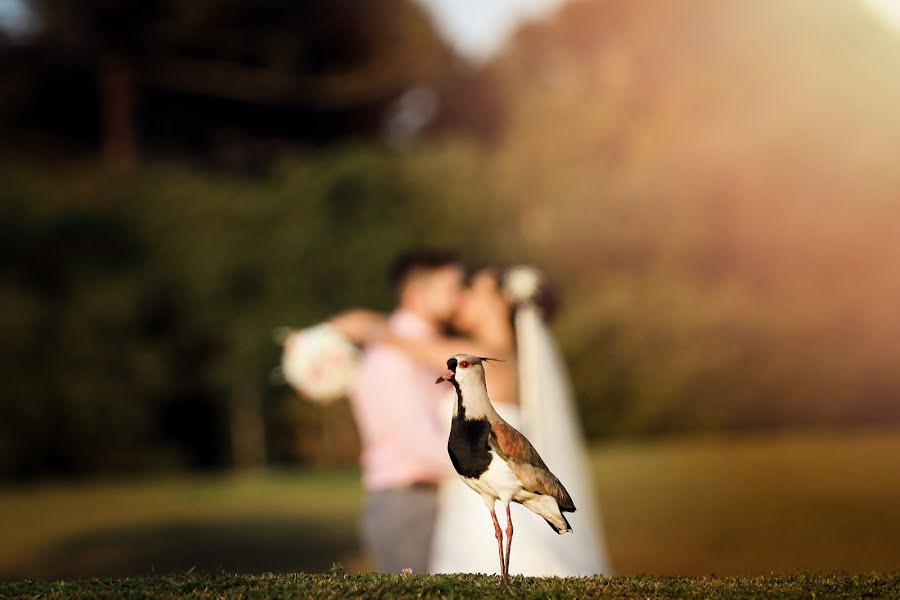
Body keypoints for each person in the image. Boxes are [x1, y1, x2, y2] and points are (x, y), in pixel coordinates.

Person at [335, 264, 613, 576]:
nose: (462, 298)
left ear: (500, 302)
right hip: (465, 503)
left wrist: (371, 328)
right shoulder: (501, 355)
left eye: (473, 290)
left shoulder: (486, 360)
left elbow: (414, 347)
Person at [343, 249, 463, 575]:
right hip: (409, 501)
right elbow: (419, 442)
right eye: (451, 288)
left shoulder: (419, 347)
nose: (459, 299)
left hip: (429, 495)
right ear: (415, 294)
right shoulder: (392, 357)